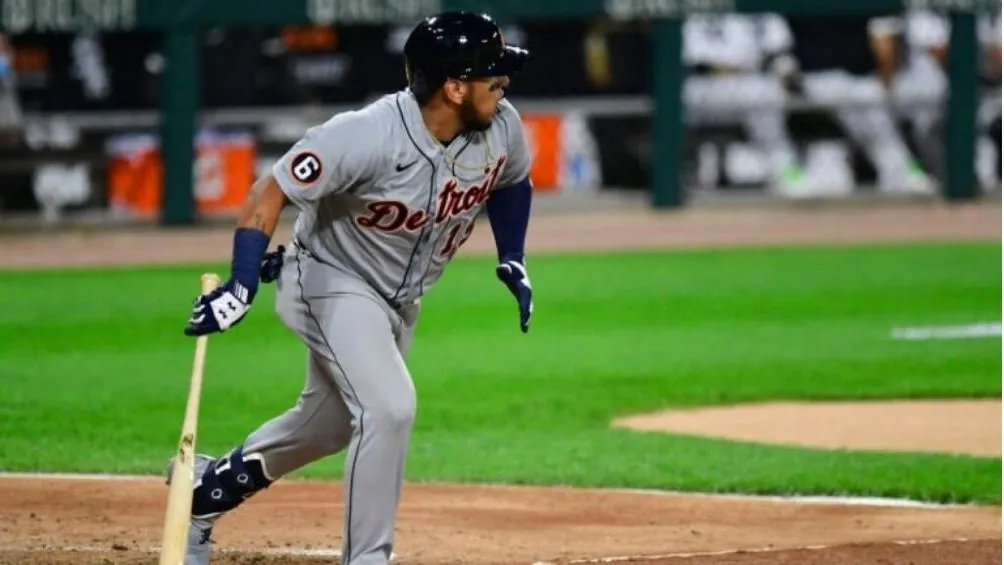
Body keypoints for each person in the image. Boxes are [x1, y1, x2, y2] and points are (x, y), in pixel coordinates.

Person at [167, 11, 536, 565]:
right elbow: (269, 194)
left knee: (329, 425)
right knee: (389, 408)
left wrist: (513, 256)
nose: (504, 83)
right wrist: (242, 285)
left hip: (398, 301)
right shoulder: (364, 136)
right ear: (455, 87)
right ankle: (367, 558)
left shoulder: (501, 125)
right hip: (326, 281)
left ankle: (204, 494)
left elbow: (512, 181)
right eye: (492, 74)